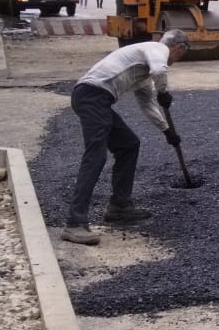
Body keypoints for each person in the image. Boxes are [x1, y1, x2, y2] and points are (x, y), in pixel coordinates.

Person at [64, 30, 189, 246]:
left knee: (129, 145)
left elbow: (147, 103)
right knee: (96, 157)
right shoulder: (157, 49)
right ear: (179, 48)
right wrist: (164, 91)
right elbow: (160, 70)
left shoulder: (143, 68)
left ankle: (119, 206)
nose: (176, 60)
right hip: (91, 95)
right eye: (180, 56)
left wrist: (168, 131)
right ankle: (75, 223)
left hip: (97, 99)